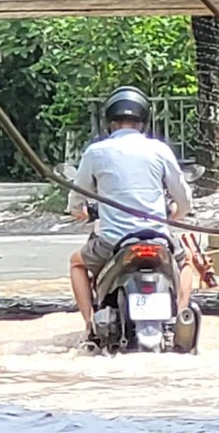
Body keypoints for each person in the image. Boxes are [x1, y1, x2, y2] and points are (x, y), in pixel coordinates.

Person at [68, 87, 198, 344]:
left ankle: (89, 326)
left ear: (110, 122)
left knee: (76, 263)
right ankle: (179, 321)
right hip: (158, 239)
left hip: (113, 243)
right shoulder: (159, 150)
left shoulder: (96, 152)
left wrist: (78, 211)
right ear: (143, 121)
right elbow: (183, 198)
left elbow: (77, 195)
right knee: (187, 262)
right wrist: (176, 212)